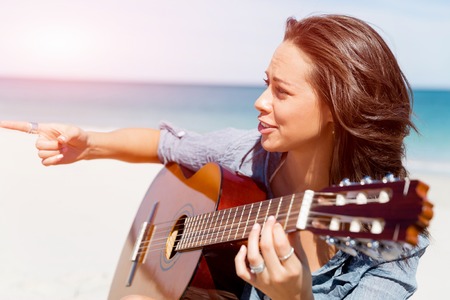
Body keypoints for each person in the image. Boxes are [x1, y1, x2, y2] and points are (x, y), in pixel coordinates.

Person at [1, 14, 429, 300]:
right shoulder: (246, 155)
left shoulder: (392, 234)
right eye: (266, 83)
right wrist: (88, 145)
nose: (260, 102)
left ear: (339, 108)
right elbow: (161, 144)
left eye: (282, 92)